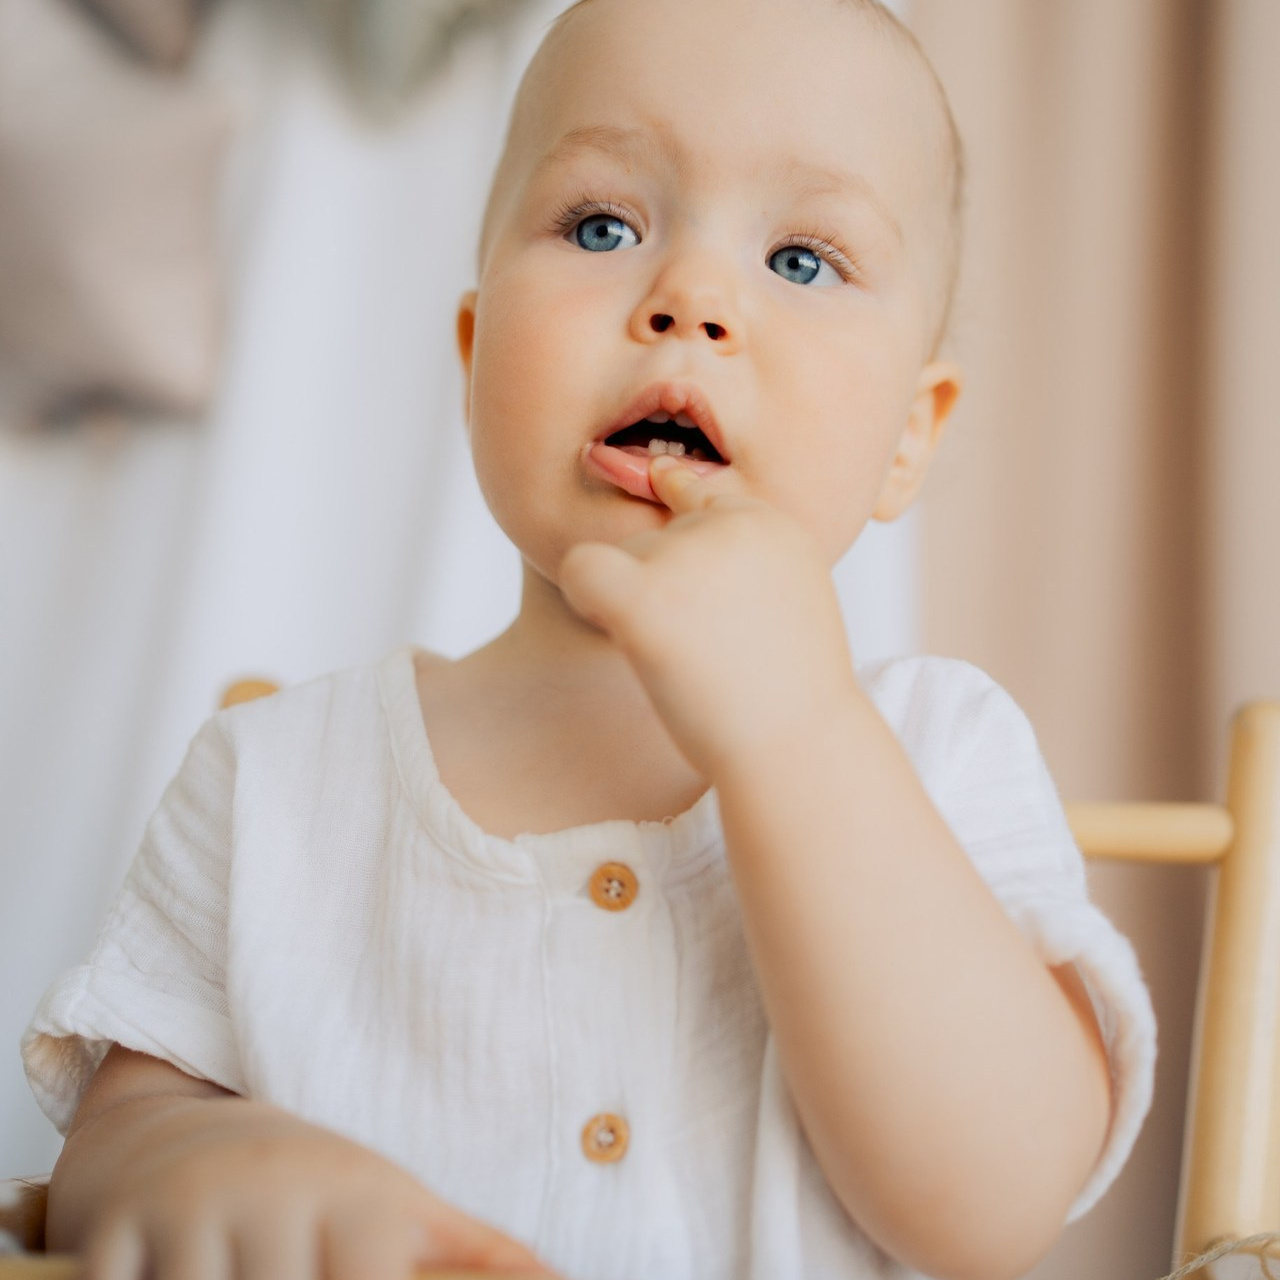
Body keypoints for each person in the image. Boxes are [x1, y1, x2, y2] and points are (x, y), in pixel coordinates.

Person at [21, 0, 1157, 1277]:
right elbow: (104, 1155)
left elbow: (994, 1198)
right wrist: (191, 1153)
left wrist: (796, 725)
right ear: (473, 354)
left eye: (800, 259)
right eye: (602, 225)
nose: (690, 298)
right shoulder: (271, 779)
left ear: (909, 431)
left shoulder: (939, 753)